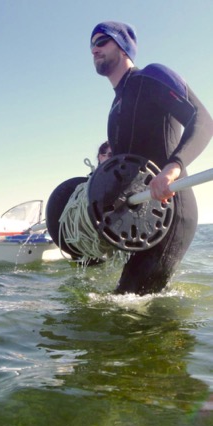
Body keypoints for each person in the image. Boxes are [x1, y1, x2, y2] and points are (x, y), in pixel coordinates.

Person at [90, 21, 213, 295]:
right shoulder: (115, 106)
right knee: (125, 301)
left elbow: (203, 120)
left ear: (123, 47)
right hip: (144, 218)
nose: (94, 50)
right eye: (91, 45)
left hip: (171, 207)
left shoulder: (152, 76)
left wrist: (173, 168)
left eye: (101, 42)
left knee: (130, 303)